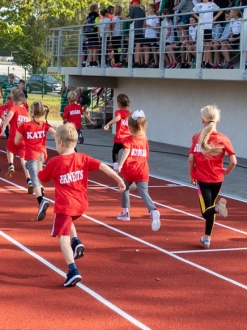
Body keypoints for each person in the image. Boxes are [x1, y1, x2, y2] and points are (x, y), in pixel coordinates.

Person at [38, 123, 128, 288]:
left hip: (65, 206)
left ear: (61, 143)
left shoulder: (55, 162)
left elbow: (42, 178)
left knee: (61, 237)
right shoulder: (83, 158)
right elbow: (103, 167)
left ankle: (72, 270)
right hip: (81, 205)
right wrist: (119, 179)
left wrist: (37, 164)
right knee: (69, 221)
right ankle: (77, 241)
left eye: (56, 142)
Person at [189, 104, 236, 249]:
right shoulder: (224, 139)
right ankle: (207, 238)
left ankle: (216, 209)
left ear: (203, 121)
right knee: (211, 206)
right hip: (217, 179)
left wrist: (192, 174)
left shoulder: (197, 137)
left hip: (202, 179)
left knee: (206, 211)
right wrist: (226, 171)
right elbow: (234, 161)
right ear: (218, 121)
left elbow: (191, 159)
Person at [114, 110, 161, 230]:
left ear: (130, 127)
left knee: (124, 188)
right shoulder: (145, 139)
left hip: (130, 170)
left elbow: (126, 151)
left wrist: (119, 165)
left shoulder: (128, 140)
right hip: (143, 170)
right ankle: (153, 210)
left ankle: (125, 212)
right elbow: (147, 156)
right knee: (144, 193)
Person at [14, 101, 53, 216]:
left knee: (34, 178)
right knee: (34, 169)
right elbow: (56, 133)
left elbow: (16, 142)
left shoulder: (25, 126)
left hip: (32, 155)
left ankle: (41, 201)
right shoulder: (45, 125)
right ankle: (40, 187)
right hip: (42, 155)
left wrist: (20, 129)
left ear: (31, 111)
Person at [0, 88, 29, 177]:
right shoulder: (25, 112)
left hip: (13, 136)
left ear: (14, 101)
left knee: (9, 150)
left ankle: (11, 165)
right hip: (23, 139)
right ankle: (29, 180)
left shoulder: (14, 108)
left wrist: (4, 126)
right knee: (23, 160)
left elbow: (9, 116)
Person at [103, 93, 131, 164]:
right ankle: (126, 164)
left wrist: (108, 124)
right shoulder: (130, 113)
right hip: (128, 138)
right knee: (127, 152)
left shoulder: (118, 112)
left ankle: (115, 166)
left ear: (119, 104)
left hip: (120, 137)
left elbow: (118, 118)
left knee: (115, 151)